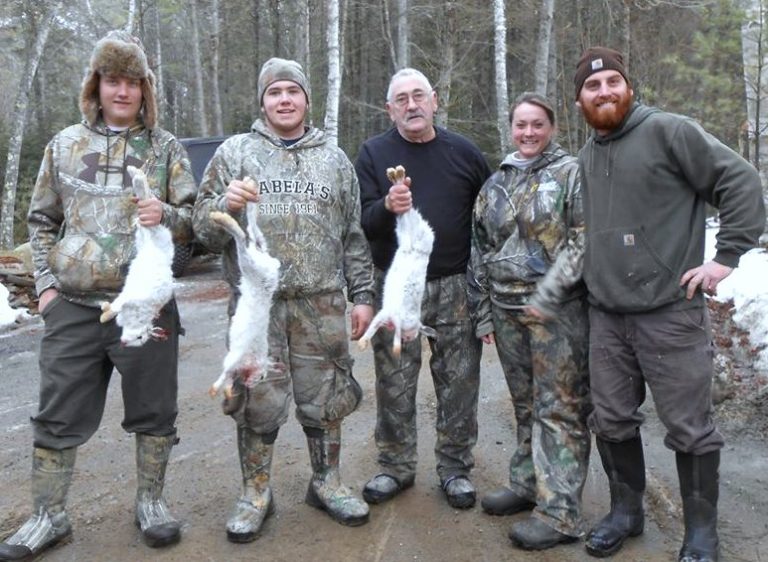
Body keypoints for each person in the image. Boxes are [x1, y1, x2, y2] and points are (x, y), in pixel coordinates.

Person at [0, 31, 197, 560]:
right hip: (74, 306)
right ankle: (48, 515)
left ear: (145, 89)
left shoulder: (165, 148)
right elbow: (41, 221)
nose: (123, 91)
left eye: (133, 82)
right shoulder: (63, 145)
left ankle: (151, 504)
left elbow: (195, 223)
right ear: (97, 84)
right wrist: (44, 288)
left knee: (155, 411)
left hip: (146, 305)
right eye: (114, 80)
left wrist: (169, 216)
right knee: (57, 412)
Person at [567, 47, 766, 561]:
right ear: (578, 100)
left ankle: (701, 534)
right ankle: (626, 513)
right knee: (610, 420)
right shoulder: (587, 155)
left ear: (628, 87)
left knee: (689, 429)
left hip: (670, 312)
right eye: (593, 86)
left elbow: (740, 180)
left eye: (613, 80)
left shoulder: (669, 132)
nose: (605, 91)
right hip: (608, 317)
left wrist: (725, 259)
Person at [192, 57, 375, 541]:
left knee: (329, 398)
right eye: (275, 92)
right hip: (258, 306)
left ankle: (327, 481)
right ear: (262, 101)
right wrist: (222, 207)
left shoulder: (334, 160)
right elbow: (199, 231)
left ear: (308, 100)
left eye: (293, 91)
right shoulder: (234, 153)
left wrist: (362, 296)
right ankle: (255, 493)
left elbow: (353, 236)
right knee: (255, 398)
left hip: (322, 303)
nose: (285, 100)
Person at [355, 68, 491, 509]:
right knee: (394, 379)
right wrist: (386, 207)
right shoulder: (374, 154)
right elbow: (360, 222)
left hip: (454, 286)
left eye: (419, 96)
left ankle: (454, 468)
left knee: (459, 382)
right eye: (401, 99)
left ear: (434, 100)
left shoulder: (466, 154)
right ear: (389, 108)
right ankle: (395, 465)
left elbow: (488, 220)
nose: (411, 105)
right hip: (395, 285)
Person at [467, 92, 591, 550]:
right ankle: (525, 483)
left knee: (558, 408)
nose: (529, 133)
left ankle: (561, 511)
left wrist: (549, 294)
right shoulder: (497, 182)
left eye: (538, 124)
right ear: (511, 128)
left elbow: (583, 240)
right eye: (521, 125)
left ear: (552, 127)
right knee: (524, 404)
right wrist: (484, 310)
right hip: (505, 309)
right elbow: (479, 247)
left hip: (557, 313)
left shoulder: (571, 174)